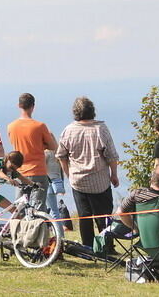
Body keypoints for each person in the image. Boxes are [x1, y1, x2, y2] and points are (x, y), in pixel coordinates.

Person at [55, 96, 119, 251]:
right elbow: (111, 155)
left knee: (84, 216)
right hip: (100, 180)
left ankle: (88, 246)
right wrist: (114, 174)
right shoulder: (100, 129)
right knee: (103, 215)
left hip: (78, 180)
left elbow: (61, 155)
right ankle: (106, 246)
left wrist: (68, 174)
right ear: (92, 111)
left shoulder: (69, 130)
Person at [7, 93, 57, 210]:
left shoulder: (11, 127)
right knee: (38, 209)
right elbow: (52, 146)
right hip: (38, 171)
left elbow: (14, 144)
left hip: (20, 172)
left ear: (19, 105)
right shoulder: (40, 126)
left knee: (20, 209)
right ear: (33, 106)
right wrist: (41, 145)